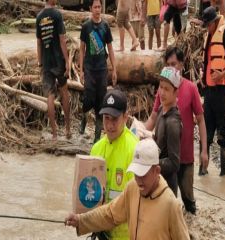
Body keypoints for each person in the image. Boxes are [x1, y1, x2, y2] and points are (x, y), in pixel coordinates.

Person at [65, 138, 190, 240]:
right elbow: (110, 214)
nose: (139, 180)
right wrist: (81, 220)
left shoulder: (171, 205)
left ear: (156, 171)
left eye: (143, 174)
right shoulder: (132, 188)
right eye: (136, 173)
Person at [145, 47, 208, 214]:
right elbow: (153, 118)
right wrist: (137, 134)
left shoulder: (191, 88)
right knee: (166, 200)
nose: (171, 68)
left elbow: (201, 120)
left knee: (188, 199)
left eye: (174, 64)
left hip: (185, 157)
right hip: (165, 159)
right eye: (168, 64)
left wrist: (204, 151)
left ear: (181, 64)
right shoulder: (164, 89)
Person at [89, 89, 139, 239]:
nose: (109, 125)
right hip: (102, 230)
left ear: (125, 117)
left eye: (115, 119)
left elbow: (138, 200)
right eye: (106, 118)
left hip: (126, 234)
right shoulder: (96, 149)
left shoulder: (135, 150)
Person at [201, 6, 225, 176]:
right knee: (207, 136)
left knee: (222, 136)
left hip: (223, 92)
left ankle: (224, 174)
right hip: (209, 92)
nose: (207, 28)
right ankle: (203, 171)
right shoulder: (208, 36)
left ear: (215, 22)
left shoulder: (224, 34)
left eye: (209, 25)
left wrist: (222, 74)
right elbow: (206, 62)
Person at [79, 0, 117, 143]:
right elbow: (82, 49)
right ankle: (83, 118)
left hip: (102, 69)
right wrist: (81, 69)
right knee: (88, 98)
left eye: (99, 7)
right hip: (89, 68)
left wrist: (114, 69)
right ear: (90, 9)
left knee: (100, 101)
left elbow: (111, 48)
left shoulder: (105, 26)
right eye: (95, 7)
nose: (97, 9)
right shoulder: (86, 27)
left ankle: (96, 137)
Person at [36, 0, 70, 140]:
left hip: (47, 63)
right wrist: (67, 61)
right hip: (58, 61)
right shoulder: (57, 15)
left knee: (49, 96)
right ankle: (68, 130)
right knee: (64, 92)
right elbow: (62, 40)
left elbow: (38, 42)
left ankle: (54, 134)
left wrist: (40, 62)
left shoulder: (39, 17)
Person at [152, 66, 182, 196]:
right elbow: (158, 142)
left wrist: (151, 163)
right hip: (157, 180)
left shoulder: (173, 123)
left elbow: (174, 163)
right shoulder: (160, 109)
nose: (162, 93)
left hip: (167, 187)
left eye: (167, 89)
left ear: (176, 92)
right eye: (161, 87)